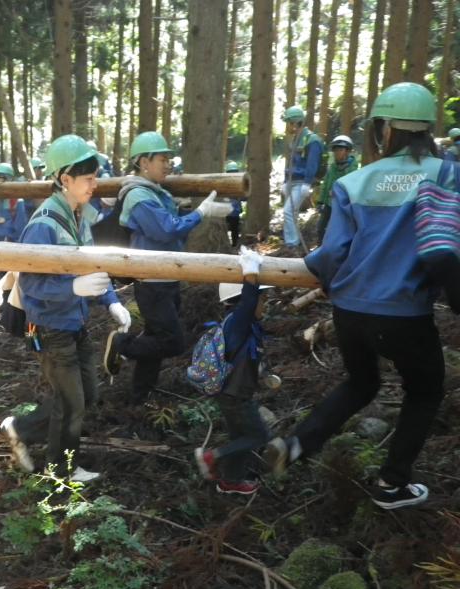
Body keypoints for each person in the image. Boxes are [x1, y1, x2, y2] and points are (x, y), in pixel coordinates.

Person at [266, 82, 448, 510]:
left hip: (350, 311)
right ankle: (392, 482)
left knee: (361, 383)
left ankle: (295, 445)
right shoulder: (447, 174)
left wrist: (320, 274)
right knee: (425, 391)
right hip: (405, 313)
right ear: (426, 128)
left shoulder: (355, 182)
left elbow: (332, 253)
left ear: (383, 129)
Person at [0, 134, 132, 482]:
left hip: (74, 322)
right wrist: (72, 287)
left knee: (85, 396)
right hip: (45, 328)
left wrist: (111, 300)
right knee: (72, 403)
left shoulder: (78, 215)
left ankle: (21, 429)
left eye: (95, 176)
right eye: (87, 178)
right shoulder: (42, 226)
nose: (95, 184)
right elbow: (29, 285)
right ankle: (61, 470)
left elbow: (91, 265)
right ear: (64, 179)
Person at [101, 131, 234, 403]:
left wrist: (190, 212)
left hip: (165, 276)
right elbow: (165, 229)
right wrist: (200, 213)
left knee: (155, 337)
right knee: (172, 342)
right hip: (153, 281)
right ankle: (122, 345)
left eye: (169, 159)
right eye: (163, 158)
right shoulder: (139, 196)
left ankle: (141, 394)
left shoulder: (154, 192)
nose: (169, 164)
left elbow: (170, 224)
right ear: (143, 162)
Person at [195, 247, 275, 495]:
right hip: (236, 396)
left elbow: (246, 356)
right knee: (259, 436)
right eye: (263, 299)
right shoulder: (239, 321)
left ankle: (230, 480)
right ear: (245, 300)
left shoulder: (240, 325)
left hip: (231, 393)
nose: (266, 304)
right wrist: (250, 272)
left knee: (240, 438)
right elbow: (249, 300)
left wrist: (263, 374)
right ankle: (212, 457)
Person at [281, 105, 324, 252]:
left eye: (289, 123)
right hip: (291, 181)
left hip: (301, 182)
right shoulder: (295, 140)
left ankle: (292, 243)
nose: (288, 126)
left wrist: (307, 183)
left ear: (295, 122)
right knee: (290, 212)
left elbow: (312, 163)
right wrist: (285, 181)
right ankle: (290, 243)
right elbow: (291, 162)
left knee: (288, 211)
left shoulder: (312, 140)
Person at [316, 135, 358, 245]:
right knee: (321, 228)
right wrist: (321, 201)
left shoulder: (353, 169)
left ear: (348, 151)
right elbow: (326, 185)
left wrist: (338, 193)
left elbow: (353, 188)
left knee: (339, 230)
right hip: (329, 204)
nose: (337, 153)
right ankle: (320, 249)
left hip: (343, 206)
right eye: (335, 150)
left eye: (340, 150)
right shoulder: (333, 168)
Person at [0, 163, 27, 242]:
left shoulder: (17, 200)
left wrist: (15, 242)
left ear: (7, 179)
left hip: (10, 243)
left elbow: (20, 225)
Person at [224, 161, 245, 247]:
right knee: (234, 230)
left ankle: (234, 244)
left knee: (234, 230)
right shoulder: (226, 182)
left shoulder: (239, 183)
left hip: (231, 211)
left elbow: (245, 197)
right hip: (229, 211)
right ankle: (234, 244)